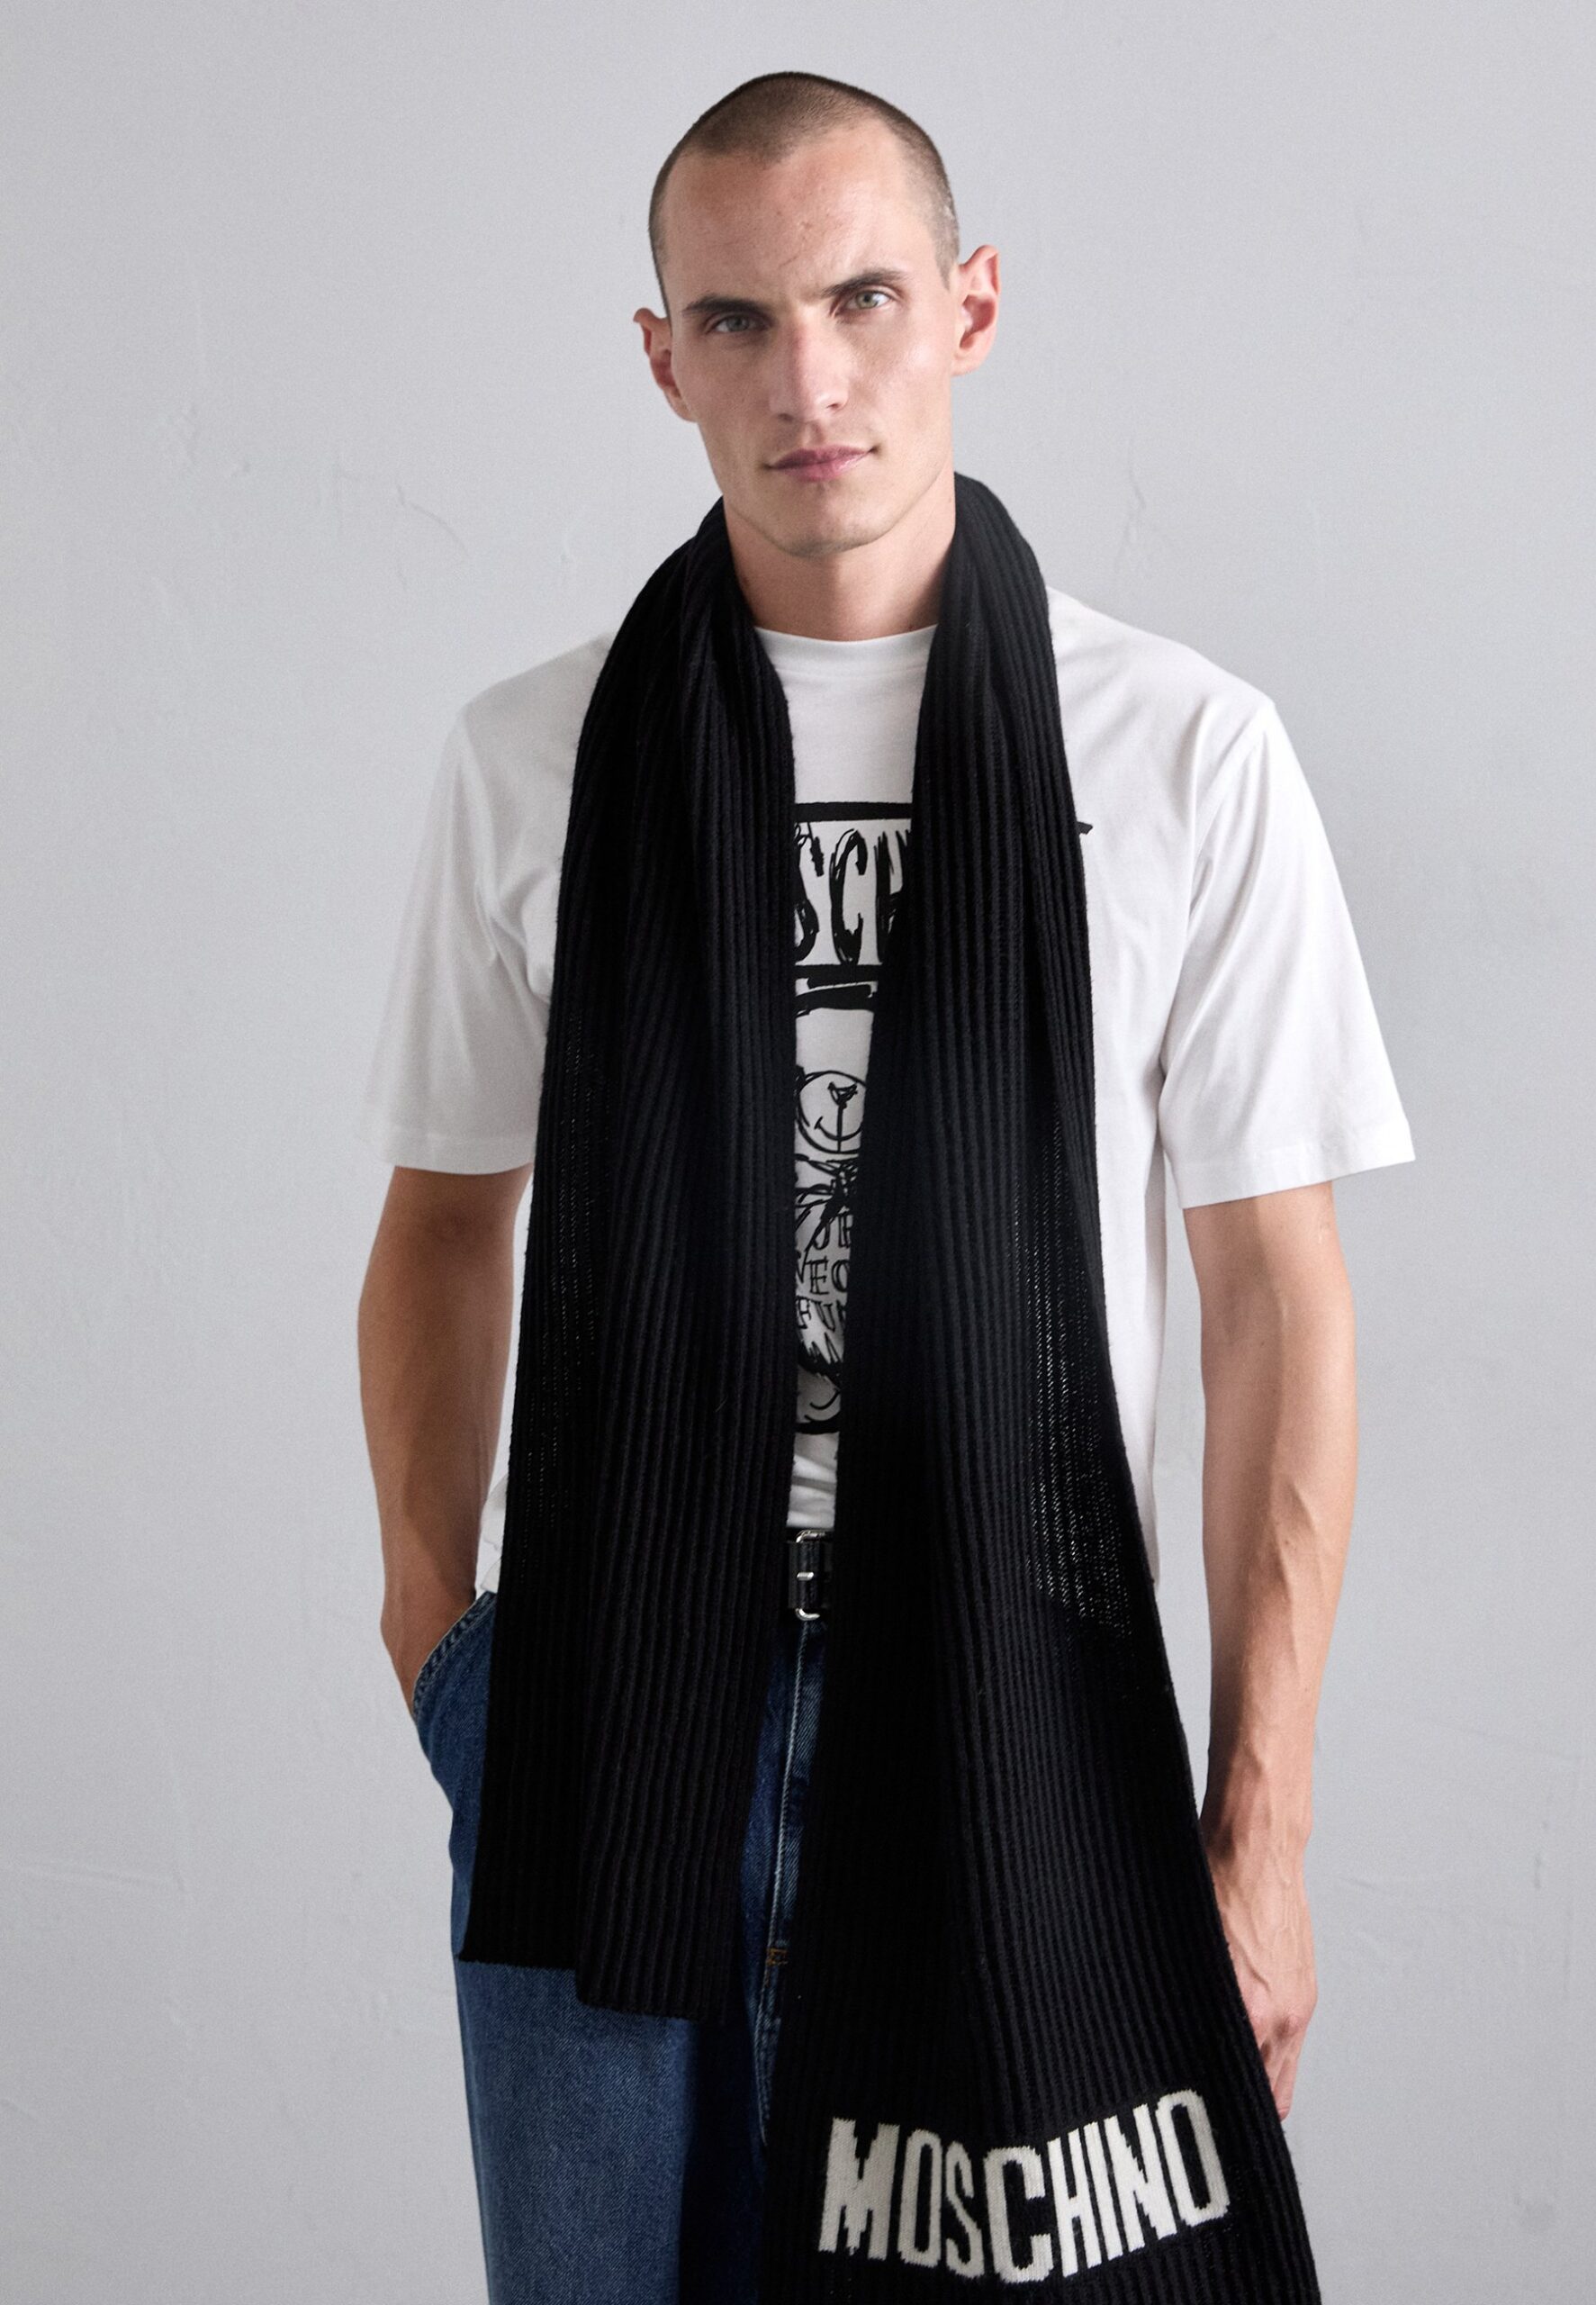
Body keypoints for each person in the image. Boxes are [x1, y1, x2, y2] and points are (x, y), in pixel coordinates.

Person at [356, 69, 1413, 2305]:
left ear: (969, 306)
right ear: (661, 357)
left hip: (1018, 1708)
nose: (806, 380)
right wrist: (443, 1636)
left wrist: (1259, 1819)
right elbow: (443, 1214)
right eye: (733, 320)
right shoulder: (535, 758)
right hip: (611, 1718)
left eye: (859, 298)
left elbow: (1274, 1295)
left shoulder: (1177, 751)